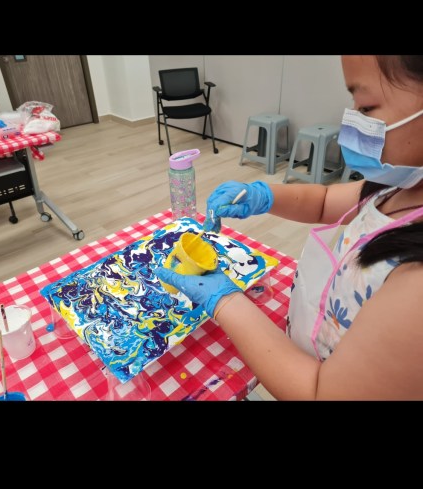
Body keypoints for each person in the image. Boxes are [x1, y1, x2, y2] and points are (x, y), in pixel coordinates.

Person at [158, 55, 423, 400]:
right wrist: (263, 195)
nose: (352, 122)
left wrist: (224, 300)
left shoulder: (416, 284)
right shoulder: (396, 188)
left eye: (367, 107)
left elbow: (320, 393)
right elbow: (325, 201)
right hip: (312, 348)